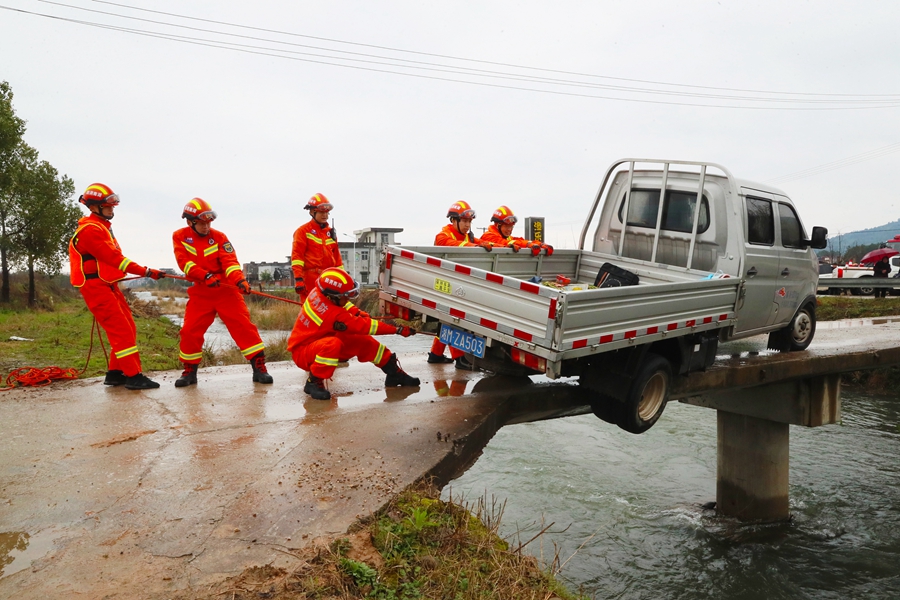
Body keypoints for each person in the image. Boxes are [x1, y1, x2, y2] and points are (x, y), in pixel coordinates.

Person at [68, 183, 165, 390]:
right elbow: (115, 259)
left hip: (108, 286)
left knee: (128, 327)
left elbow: (113, 260)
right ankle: (133, 376)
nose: (112, 210)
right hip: (96, 288)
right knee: (121, 330)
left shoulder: (102, 227)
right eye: (108, 206)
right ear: (94, 207)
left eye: (113, 205)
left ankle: (115, 373)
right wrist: (146, 271)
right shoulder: (90, 231)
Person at [171, 198, 273, 387]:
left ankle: (259, 368)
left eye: (209, 222)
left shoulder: (219, 237)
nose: (206, 226)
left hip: (226, 289)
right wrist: (204, 275)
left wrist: (240, 280)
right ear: (189, 222)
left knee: (243, 326)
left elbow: (230, 262)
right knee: (189, 331)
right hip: (201, 291)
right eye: (202, 222)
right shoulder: (179, 236)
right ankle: (189, 372)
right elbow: (184, 263)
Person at [288, 267, 420, 400]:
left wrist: (357, 312)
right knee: (332, 345)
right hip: (303, 351)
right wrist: (397, 330)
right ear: (332, 297)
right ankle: (313, 382)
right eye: (345, 296)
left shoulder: (319, 292)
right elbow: (366, 326)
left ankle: (393, 373)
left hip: (320, 338)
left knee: (364, 341)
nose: (348, 299)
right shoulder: (333, 314)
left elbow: (344, 305)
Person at [428, 201, 494, 368]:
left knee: (446, 321)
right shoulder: (443, 236)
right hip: (443, 285)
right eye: (464, 221)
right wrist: (474, 245)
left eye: (470, 222)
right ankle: (459, 359)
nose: (467, 225)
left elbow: (479, 242)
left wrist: (496, 245)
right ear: (454, 221)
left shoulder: (468, 237)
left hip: (456, 284)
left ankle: (436, 355)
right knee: (453, 320)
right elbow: (449, 244)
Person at [291, 193, 343, 301]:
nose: (325, 215)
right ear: (312, 212)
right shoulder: (303, 231)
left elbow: (337, 260)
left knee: (332, 312)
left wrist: (342, 278)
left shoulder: (330, 233)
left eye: (327, 212)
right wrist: (298, 278)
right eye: (321, 212)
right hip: (310, 280)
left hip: (329, 279)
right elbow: (297, 257)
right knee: (312, 312)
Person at [480, 205, 554, 256]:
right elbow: (505, 243)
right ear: (497, 225)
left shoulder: (507, 237)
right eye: (506, 226)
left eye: (511, 226)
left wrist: (539, 244)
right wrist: (528, 245)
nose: (509, 230)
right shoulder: (488, 236)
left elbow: (519, 240)